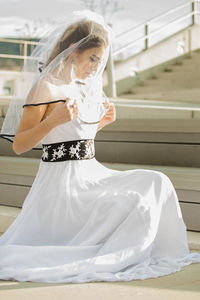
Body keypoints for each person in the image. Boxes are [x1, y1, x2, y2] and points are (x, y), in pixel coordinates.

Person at [0, 10, 200, 284]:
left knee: (158, 182)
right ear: (73, 49)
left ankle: (156, 251)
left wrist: (100, 124)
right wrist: (54, 120)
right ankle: (119, 255)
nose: (97, 66)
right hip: (63, 190)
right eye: (93, 58)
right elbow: (20, 145)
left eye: (100, 60)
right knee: (133, 202)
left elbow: (72, 137)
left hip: (90, 175)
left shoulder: (78, 87)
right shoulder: (45, 87)